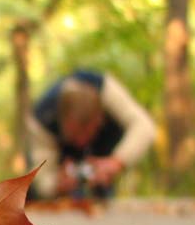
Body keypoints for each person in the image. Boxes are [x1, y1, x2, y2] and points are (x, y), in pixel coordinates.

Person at [27, 69, 156, 200]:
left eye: (87, 132)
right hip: (61, 170)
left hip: (104, 156)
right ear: (62, 122)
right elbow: (41, 178)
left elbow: (145, 127)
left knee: (104, 198)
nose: (81, 142)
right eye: (74, 134)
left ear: (100, 119)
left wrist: (116, 162)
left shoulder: (106, 90)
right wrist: (57, 184)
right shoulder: (42, 118)